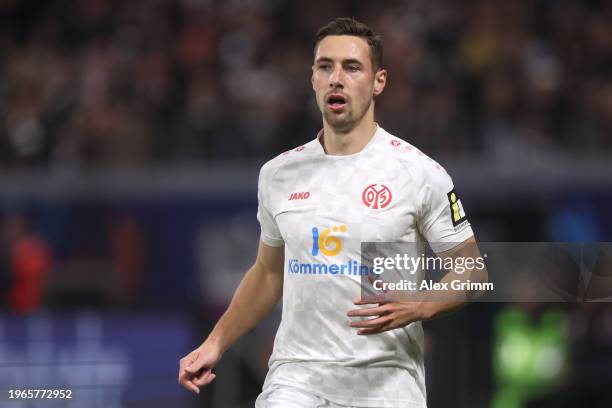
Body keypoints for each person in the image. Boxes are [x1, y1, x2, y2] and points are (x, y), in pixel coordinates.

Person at [179, 17, 486, 407]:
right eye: (326, 66)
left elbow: (472, 268)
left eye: (352, 67)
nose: (336, 78)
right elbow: (268, 272)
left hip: (387, 384)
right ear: (313, 79)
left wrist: (421, 305)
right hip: (297, 379)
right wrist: (215, 343)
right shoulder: (278, 174)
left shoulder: (419, 173)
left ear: (379, 81)